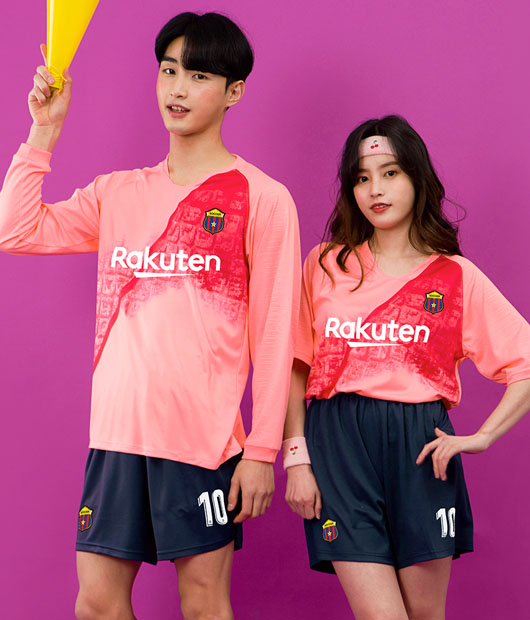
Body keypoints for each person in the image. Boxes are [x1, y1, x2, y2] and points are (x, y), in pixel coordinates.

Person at [0, 12, 300, 620]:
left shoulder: (262, 198)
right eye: (168, 71)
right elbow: (15, 229)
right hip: (115, 437)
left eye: (198, 75)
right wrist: (43, 132)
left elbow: (276, 335)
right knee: (97, 605)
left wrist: (263, 450)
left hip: (203, 443)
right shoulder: (117, 192)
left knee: (204, 604)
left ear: (234, 92)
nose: (177, 89)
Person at [283, 115, 530, 619]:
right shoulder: (326, 264)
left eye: (390, 172)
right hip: (338, 448)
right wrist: (296, 458)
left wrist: (483, 437)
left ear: (417, 178)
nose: (375, 189)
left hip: (421, 449)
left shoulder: (454, 276)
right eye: (361, 177)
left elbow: (525, 362)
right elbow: (295, 367)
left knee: (424, 615)